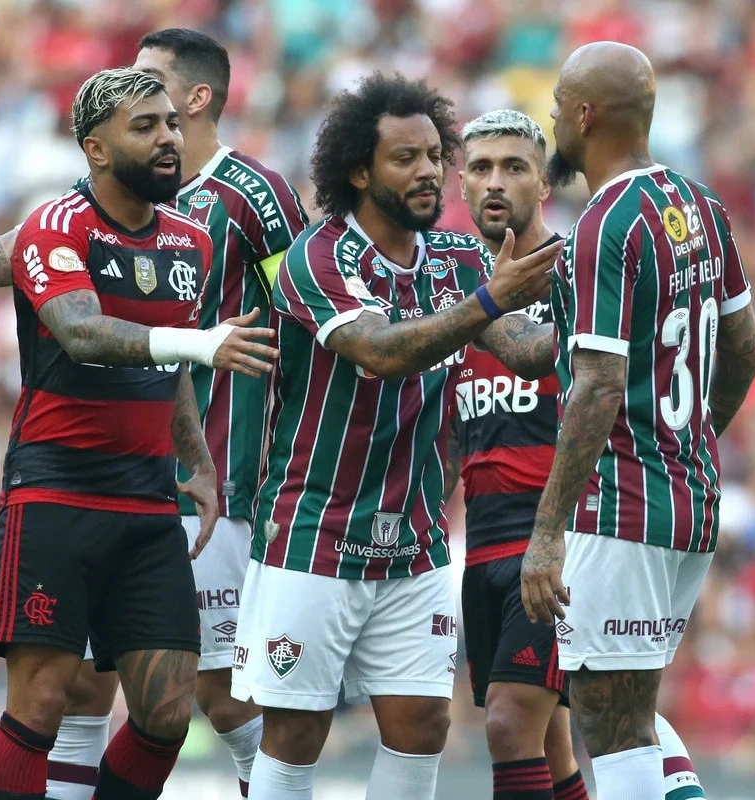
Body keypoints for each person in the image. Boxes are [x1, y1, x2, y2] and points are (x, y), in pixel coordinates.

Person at [0, 29, 308, 800]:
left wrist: (196, 461)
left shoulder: (190, 240)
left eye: (172, 123)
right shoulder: (58, 223)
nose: (169, 140)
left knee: (168, 712)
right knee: (42, 702)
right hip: (57, 493)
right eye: (146, 128)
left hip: (147, 498)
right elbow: (83, 331)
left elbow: (165, 365)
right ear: (96, 148)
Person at [231, 72, 561, 800]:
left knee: (421, 727)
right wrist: (487, 301)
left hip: (414, 545)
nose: (429, 173)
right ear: (358, 170)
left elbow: (524, 346)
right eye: (405, 159)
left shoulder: (457, 260)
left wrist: (593, 309)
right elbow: (381, 351)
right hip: (312, 536)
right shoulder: (318, 258)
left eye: (434, 156)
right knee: (293, 735)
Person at [520, 43, 755, 800]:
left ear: (586, 115)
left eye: (559, 103)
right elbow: (746, 351)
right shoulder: (698, 205)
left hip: (619, 510)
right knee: (637, 715)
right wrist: (683, 444)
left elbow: (595, 387)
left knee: (613, 731)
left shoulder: (605, 226)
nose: (553, 115)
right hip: (689, 504)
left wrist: (548, 530)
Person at [450, 109, 706, 800]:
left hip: (565, 536)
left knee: (513, 725)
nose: (495, 183)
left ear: (545, 180)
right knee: (563, 736)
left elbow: (597, 382)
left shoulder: (582, 268)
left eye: (514, 167)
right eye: (479, 169)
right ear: (461, 184)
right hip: (486, 540)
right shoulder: (457, 289)